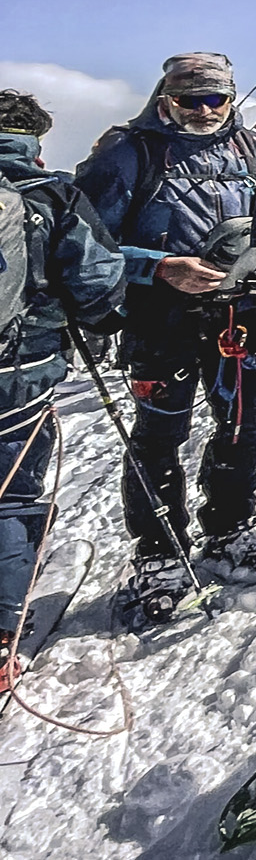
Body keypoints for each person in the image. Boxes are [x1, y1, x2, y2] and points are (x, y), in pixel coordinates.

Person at [74, 52, 256, 622]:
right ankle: (158, 553)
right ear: (165, 97)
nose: (206, 110)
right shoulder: (127, 152)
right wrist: (161, 266)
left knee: (243, 422)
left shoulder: (252, 148)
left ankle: (229, 530)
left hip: (242, 314)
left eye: (217, 99)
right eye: (191, 100)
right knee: (160, 432)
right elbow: (84, 242)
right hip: (160, 318)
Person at [0, 92, 125, 686]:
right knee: (12, 491)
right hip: (21, 368)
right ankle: (2, 629)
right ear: (34, 139)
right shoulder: (50, 196)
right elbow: (98, 282)